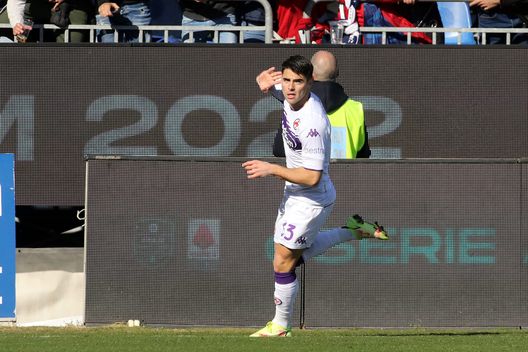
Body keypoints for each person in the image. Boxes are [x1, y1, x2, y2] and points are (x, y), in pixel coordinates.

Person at [243, 55, 388, 338]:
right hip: (296, 193)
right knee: (287, 255)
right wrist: (265, 86)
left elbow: (312, 176)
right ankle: (354, 231)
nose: (290, 88)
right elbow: (281, 93)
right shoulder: (290, 95)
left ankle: (280, 325)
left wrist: (272, 168)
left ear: (311, 84)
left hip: (311, 197)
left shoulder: (313, 123)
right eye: (286, 80)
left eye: (298, 82)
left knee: (283, 260)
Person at [256, 50, 371, 159]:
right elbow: (362, 154)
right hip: (344, 176)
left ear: (310, 75)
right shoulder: (356, 109)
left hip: (304, 177)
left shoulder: (296, 106)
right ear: (337, 73)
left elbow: (280, 151)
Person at [5, 0, 95, 42]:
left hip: (74, 7)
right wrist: (17, 24)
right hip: (36, 7)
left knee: (71, 47)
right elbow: (15, 2)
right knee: (15, 30)